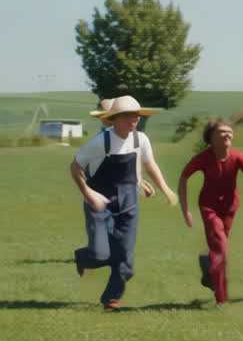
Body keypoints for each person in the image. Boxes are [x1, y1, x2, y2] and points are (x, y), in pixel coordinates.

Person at [70, 95, 177, 310]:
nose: (134, 120)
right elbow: (75, 166)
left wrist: (164, 189)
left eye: (137, 116)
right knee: (101, 254)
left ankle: (111, 299)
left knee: (125, 260)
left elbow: (148, 163)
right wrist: (88, 193)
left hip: (128, 203)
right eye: (129, 116)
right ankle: (83, 257)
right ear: (115, 118)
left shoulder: (141, 139)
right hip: (99, 203)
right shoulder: (101, 142)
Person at [177, 119, 243, 305]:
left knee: (219, 249)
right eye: (222, 132)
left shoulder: (237, 157)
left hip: (230, 207)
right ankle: (222, 298)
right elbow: (183, 178)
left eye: (230, 131)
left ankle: (209, 270)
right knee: (220, 247)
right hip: (208, 206)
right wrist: (185, 210)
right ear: (211, 137)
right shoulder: (203, 158)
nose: (227, 134)